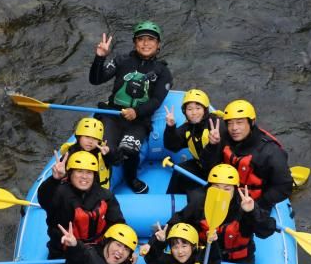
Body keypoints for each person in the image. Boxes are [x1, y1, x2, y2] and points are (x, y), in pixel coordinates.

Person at [167, 164, 276, 264]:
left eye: (227, 189)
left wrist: (252, 212)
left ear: (235, 189)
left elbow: (266, 231)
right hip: (207, 256)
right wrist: (160, 239)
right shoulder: (200, 203)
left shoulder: (244, 206)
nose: (221, 193)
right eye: (216, 187)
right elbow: (178, 220)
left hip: (236, 261)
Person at [89, 21, 173, 194]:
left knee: (129, 150)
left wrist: (137, 112)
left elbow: (156, 100)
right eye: (141, 39)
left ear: (158, 45)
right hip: (112, 114)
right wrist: (100, 57)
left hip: (139, 121)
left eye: (151, 39)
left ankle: (131, 178)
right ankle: (101, 181)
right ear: (135, 43)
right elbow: (96, 79)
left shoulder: (162, 72)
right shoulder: (122, 60)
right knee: (106, 150)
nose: (145, 43)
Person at [37, 150, 125, 264]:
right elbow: (44, 200)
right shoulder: (59, 194)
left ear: (94, 175)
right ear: (70, 173)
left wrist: (124, 246)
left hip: (97, 248)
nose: (84, 177)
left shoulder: (105, 196)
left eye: (89, 172)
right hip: (65, 251)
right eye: (79, 171)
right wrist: (54, 180)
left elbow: (117, 224)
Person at [202, 99, 292, 215]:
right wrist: (212, 146)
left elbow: (284, 187)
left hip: (253, 201)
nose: (234, 128)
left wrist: (259, 204)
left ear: (252, 122)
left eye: (239, 122)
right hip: (224, 192)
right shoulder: (223, 137)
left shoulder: (271, 152)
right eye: (230, 123)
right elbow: (207, 166)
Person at [163, 88, 222, 195]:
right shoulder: (189, 127)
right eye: (189, 109)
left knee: (197, 196)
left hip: (220, 172)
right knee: (180, 171)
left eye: (198, 108)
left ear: (205, 110)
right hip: (201, 166)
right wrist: (170, 127)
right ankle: (171, 201)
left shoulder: (217, 125)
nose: (194, 113)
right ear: (184, 112)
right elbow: (172, 146)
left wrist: (214, 143)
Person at [59, 117, 117, 189]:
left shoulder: (103, 153)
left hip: (98, 190)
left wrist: (109, 153)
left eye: (95, 138)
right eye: (87, 137)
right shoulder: (71, 151)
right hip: (75, 188)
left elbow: (116, 161)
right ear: (79, 137)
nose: (90, 142)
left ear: (99, 141)